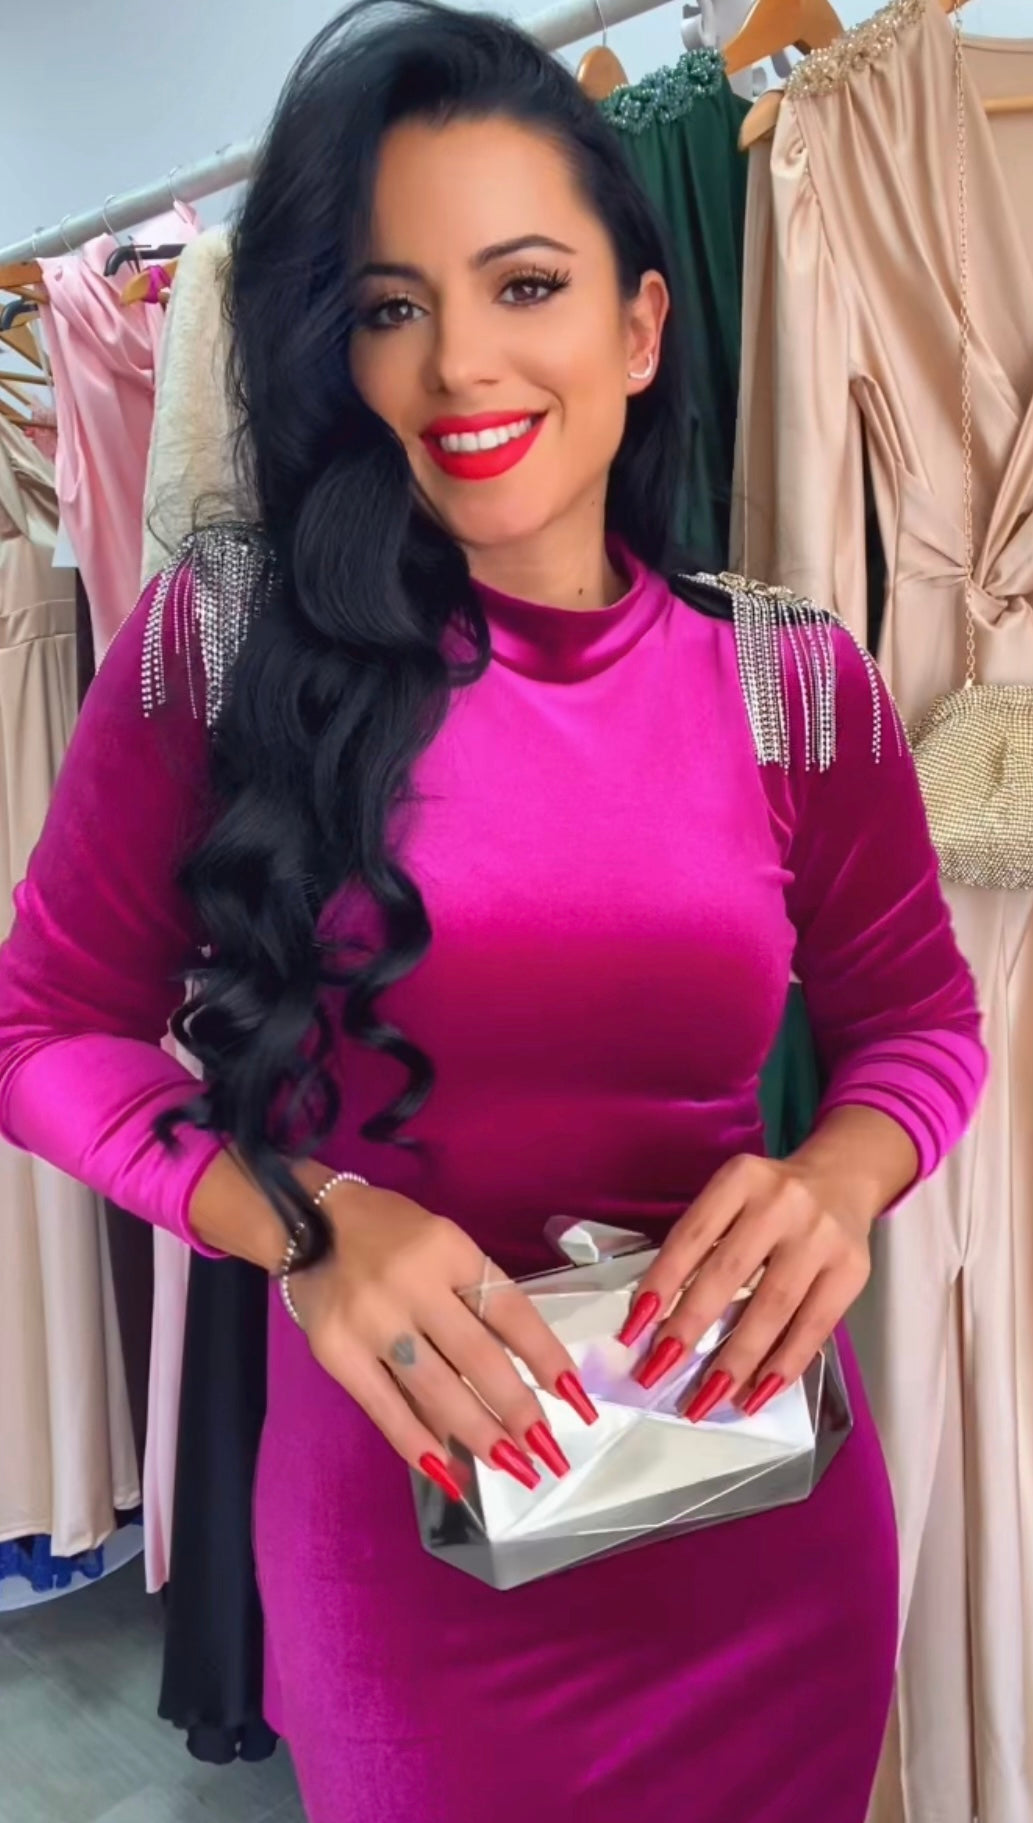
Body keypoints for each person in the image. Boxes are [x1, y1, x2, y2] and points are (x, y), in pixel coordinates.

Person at [0, 6, 986, 1820]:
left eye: (524, 284)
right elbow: (43, 1032)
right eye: (391, 305)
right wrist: (305, 1223)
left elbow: (921, 1024)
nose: (459, 361)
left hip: (754, 1517)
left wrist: (838, 1179)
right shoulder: (220, 651)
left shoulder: (790, 684)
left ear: (639, 325)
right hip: (411, 1543)